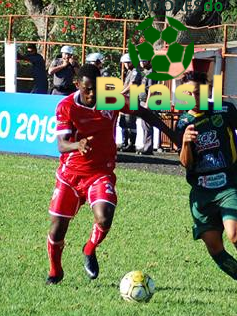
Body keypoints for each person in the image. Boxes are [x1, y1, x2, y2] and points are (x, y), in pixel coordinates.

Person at [46, 64, 180, 285]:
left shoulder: (111, 99)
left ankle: (89, 249)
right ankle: (55, 271)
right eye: (87, 89)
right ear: (77, 85)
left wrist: (172, 135)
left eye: (96, 89)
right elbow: (61, 144)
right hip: (70, 175)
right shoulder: (66, 107)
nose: (92, 94)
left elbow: (144, 111)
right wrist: (77, 144)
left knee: (105, 216)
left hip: (100, 173)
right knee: (58, 228)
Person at [177, 71, 237, 296]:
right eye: (189, 93)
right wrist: (185, 143)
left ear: (208, 90)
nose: (194, 97)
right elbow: (185, 163)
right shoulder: (184, 121)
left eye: (198, 92)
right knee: (214, 247)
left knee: (235, 236)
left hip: (228, 184)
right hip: (201, 193)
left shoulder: (224, 110)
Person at [118, 53, 141, 152]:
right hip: (126, 99)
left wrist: (121, 93)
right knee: (123, 122)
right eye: (125, 63)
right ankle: (125, 143)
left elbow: (132, 85)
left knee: (130, 122)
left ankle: (132, 144)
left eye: (127, 63)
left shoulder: (136, 71)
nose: (126, 65)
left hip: (132, 99)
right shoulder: (129, 72)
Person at [137, 59, 155, 155]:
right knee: (144, 125)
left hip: (148, 102)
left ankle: (148, 147)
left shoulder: (151, 73)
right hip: (143, 101)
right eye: (140, 61)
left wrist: (148, 103)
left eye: (144, 61)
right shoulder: (145, 72)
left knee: (147, 124)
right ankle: (145, 145)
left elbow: (151, 89)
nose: (142, 63)